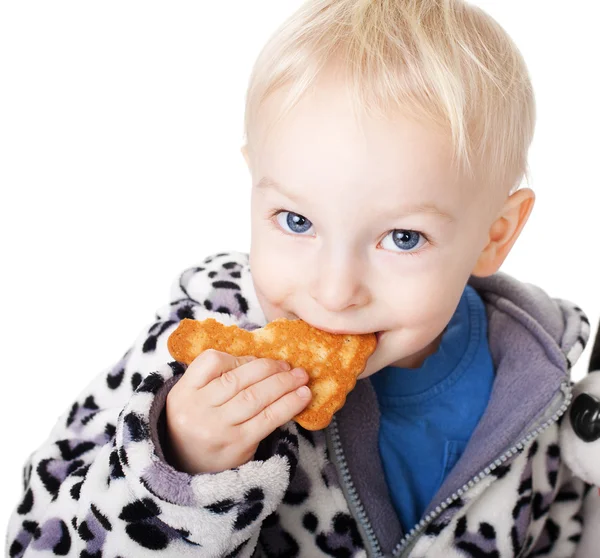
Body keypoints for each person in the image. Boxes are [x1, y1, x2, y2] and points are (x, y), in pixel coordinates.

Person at [6, 0, 599, 556]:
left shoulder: (535, 380)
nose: (335, 291)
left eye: (402, 238)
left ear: (495, 234)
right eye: (296, 221)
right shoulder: (191, 362)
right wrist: (178, 469)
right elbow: (37, 537)